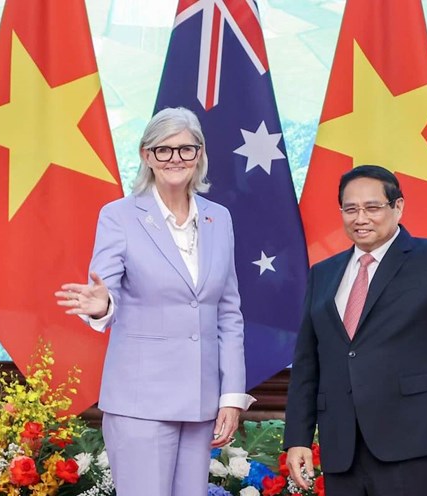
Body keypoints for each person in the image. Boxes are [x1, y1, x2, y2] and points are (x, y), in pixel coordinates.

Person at [284, 162, 427, 496]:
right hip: (342, 448)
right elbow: (308, 362)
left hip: (412, 443)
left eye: (372, 207)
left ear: (398, 207)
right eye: (350, 209)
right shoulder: (323, 272)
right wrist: (297, 439)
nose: (360, 218)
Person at [55, 107, 254, 496]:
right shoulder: (119, 216)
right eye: (163, 150)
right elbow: (105, 288)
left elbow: (228, 313)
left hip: (201, 402)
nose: (175, 159)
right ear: (147, 156)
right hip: (140, 401)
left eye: (186, 149)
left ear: (200, 155)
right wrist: (102, 305)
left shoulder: (220, 218)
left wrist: (231, 396)